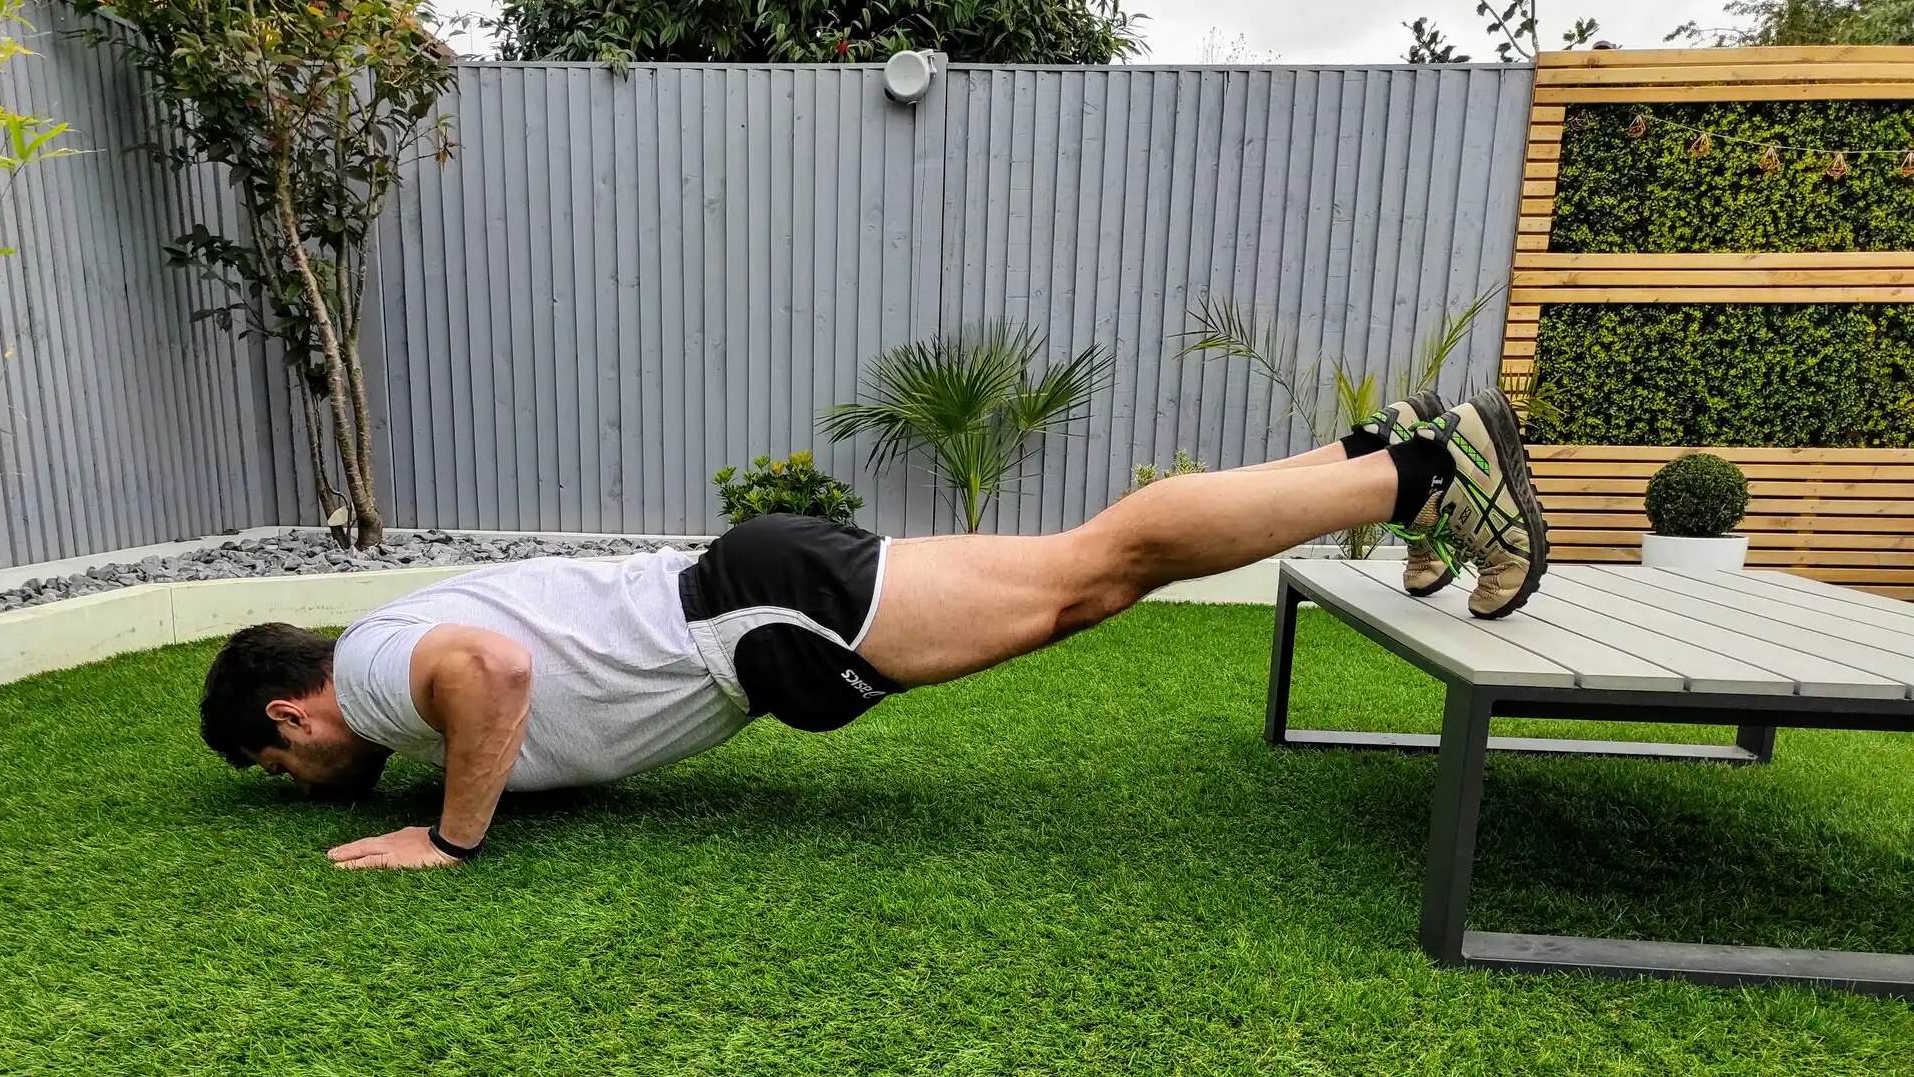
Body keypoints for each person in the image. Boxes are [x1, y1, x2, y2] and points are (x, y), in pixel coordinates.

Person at [200, 388, 1546, 869]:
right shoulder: (391, 634)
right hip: (755, 600)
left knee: (1097, 567)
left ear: (289, 718)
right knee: (1099, 573)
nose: (310, 779)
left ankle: (1426, 479)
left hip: (754, 612)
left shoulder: (372, 675)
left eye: (283, 770)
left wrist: (449, 838)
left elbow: (488, 675)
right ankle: (1380, 455)